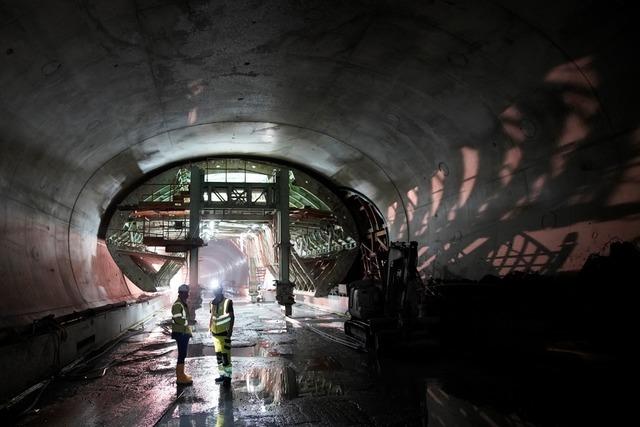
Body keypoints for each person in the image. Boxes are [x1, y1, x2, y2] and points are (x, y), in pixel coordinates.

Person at [209, 281, 235, 387]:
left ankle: (227, 377)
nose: (216, 293)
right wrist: (210, 329)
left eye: (218, 291)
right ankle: (222, 375)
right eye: (215, 291)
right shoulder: (212, 303)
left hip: (224, 334)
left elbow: (232, 317)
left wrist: (230, 331)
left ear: (221, 291)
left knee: (226, 357)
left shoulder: (227, 302)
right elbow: (212, 317)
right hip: (215, 334)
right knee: (219, 357)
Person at [171, 284, 193, 385]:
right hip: (181, 333)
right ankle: (180, 377)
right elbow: (177, 318)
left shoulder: (182, 303)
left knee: (183, 354)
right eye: (186, 293)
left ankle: (181, 374)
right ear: (181, 293)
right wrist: (188, 323)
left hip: (183, 332)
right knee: (182, 354)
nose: (188, 294)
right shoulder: (178, 305)